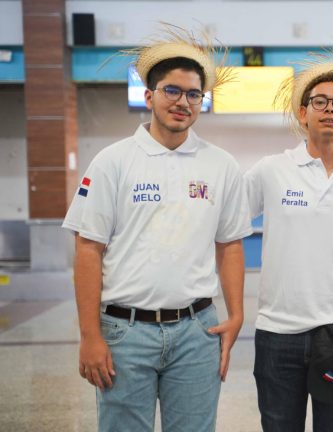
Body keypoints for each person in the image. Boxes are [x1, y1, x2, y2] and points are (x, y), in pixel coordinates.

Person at [62, 25, 252, 432]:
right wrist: (90, 336)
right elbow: (87, 250)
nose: (182, 102)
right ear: (149, 95)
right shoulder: (113, 162)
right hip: (124, 334)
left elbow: (230, 245)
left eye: (193, 94)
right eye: (172, 90)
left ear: (202, 101)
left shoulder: (221, 166)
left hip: (197, 331)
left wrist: (236, 315)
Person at [244, 52, 333, 431]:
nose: (329, 109)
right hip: (279, 333)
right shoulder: (271, 171)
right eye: (320, 102)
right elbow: (226, 221)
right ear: (302, 112)